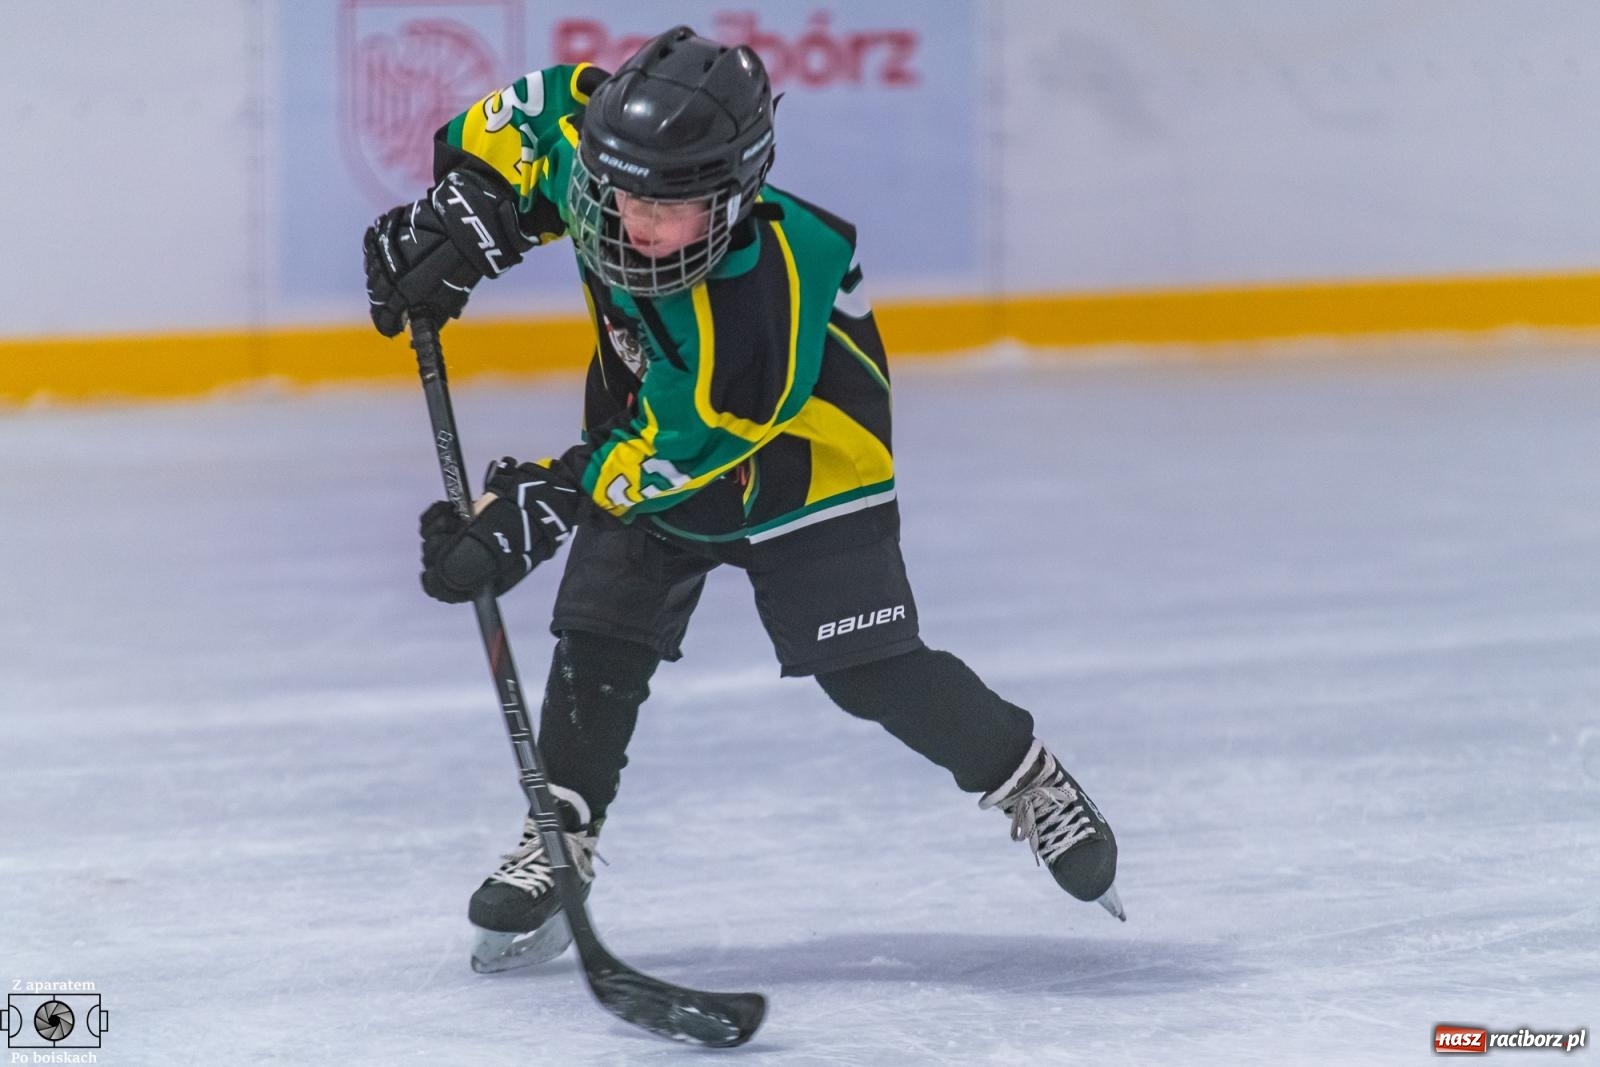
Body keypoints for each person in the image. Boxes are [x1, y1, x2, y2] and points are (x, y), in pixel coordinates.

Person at [363, 26, 1123, 973]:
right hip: (655, 428)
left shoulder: (765, 292)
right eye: (622, 195)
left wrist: (544, 502)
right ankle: (560, 828)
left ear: (732, 200)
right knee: (601, 631)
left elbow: (685, 444)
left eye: (667, 209)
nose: (634, 224)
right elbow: (528, 122)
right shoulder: (603, 158)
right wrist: (466, 211)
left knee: (870, 669)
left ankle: (1026, 776)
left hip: (804, 470)